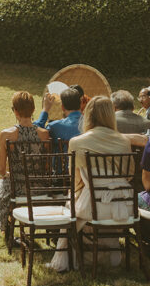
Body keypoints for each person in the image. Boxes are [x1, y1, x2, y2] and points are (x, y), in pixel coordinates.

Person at [50, 96, 135, 272]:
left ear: (87, 115)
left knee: (72, 205)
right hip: (122, 206)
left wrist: (78, 194)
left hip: (93, 206)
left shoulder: (77, 142)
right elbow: (129, 175)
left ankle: (76, 255)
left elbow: (74, 179)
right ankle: (106, 254)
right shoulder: (124, 141)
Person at [0, 91, 51, 243]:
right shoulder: (44, 135)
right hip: (38, 187)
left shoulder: (6, 135)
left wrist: (11, 174)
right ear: (33, 110)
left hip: (17, 187)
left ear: (15, 111)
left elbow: (1, 170)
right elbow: (45, 166)